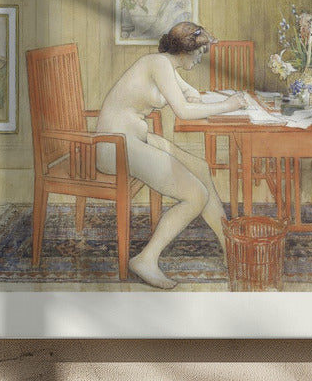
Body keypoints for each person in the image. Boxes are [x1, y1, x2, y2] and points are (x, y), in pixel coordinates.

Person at [95, 21, 246, 289]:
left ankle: (230, 249)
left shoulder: (165, 65)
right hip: (114, 147)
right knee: (196, 195)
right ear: (187, 50)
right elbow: (184, 111)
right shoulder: (159, 64)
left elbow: (187, 93)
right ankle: (145, 259)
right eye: (200, 53)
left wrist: (193, 95)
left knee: (199, 166)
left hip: (132, 140)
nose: (200, 60)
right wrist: (229, 104)